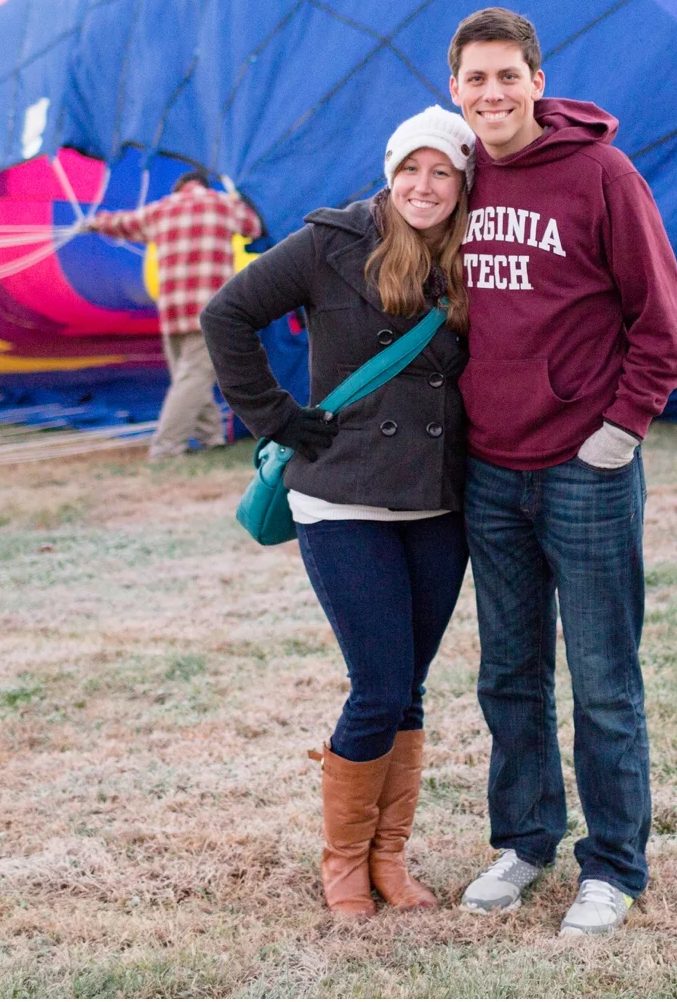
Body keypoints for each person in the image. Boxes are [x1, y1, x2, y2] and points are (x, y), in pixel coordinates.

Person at [445, 8, 677, 938]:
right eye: (476, 80)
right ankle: (526, 839)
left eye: (509, 76)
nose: (493, 94)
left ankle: (615, 864)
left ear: (538, 81)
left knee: (603, 679)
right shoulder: (459, 173)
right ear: (455, 88)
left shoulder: (603, 174)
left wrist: (620, 429)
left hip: (585, 467)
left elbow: (660, 320)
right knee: (508, 673)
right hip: (491, 472)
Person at [199, 107, 478, 918]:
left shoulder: (474, 252)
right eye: (410, 169)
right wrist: (276, 416)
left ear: (460, 184)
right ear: (389, 171)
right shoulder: (333, 240)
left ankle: (390, 857)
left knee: (411, 688)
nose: (423, 187)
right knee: (379, 682)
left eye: (442, 173)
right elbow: (228, 314)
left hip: (437, 497)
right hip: (342, 493)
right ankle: (343, 863)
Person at [84, 169, 262, 460]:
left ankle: (211, 437)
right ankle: (166, 448)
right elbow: (254, 227)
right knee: (194, 378)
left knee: (189, 377)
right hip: (210, 309)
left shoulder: (162, 208)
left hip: (172, 312)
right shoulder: (223, 204)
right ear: (204, 185)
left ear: (180, 188)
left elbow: (122, 223)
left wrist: (93, 223)